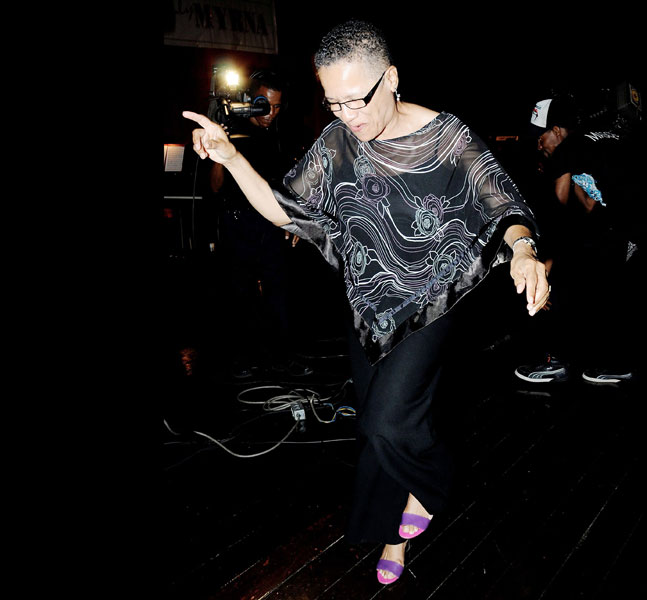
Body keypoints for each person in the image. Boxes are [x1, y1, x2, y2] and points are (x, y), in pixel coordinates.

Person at [184, 20, 549, 585]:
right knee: (375, 432)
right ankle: (393, 538)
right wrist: (231, 157)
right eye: (334, 102)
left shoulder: (447, 137)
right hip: (367, 306)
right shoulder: (338, 142)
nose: (348, 115)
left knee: (386, 424)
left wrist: (523, 251)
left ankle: (434, 483)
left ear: (392, 78)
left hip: (434, 299)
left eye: (358, 99)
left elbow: (503, 203)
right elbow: (284, 210)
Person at [514, 96, 646, 384]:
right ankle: (616, 363)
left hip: (632, 224)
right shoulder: (594, 144)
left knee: (565, 280)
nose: (539, 146)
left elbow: (557, 213)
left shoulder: (568, 150)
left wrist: (545, 265)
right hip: (630, 223)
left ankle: (556, 362)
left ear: (557, 131)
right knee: (605, 282)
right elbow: (590, 205)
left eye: (541, 138)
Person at [209, 69, 312, 378]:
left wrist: (292, 220)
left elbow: (288, 184)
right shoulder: (234, 131)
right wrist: (219, 153)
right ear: (251, 100)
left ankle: (282, 357)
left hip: (270, 223)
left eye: (277, 106)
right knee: (240, 292)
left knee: (279, 290)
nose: (271, 113)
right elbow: (215, 186)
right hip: (238, 223)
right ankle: (243, 358)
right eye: (265, 105)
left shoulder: (280, 135)